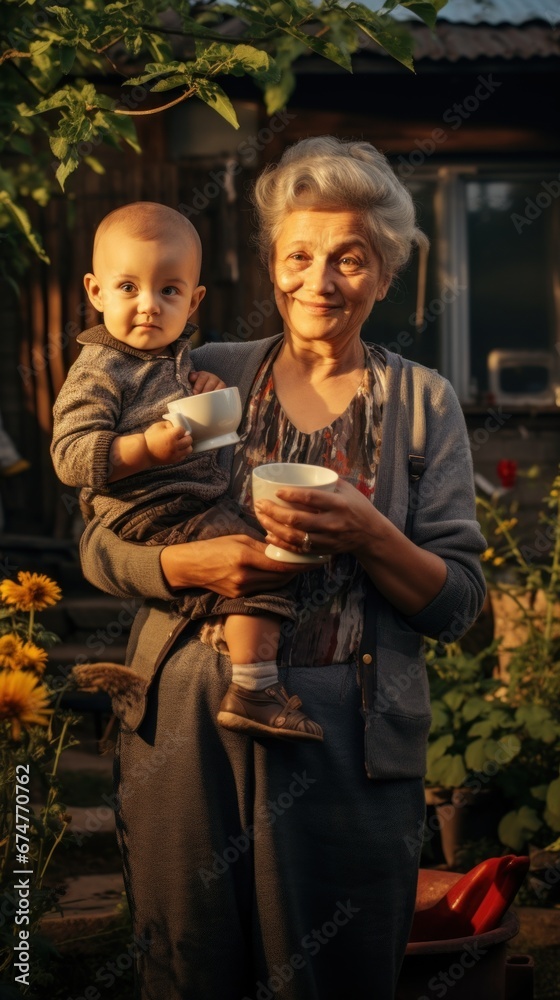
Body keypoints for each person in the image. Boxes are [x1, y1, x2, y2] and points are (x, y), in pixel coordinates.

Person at [78, 136, 486, 1000]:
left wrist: (373, 533)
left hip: (348, 736)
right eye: (298, 255)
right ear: (272, 264)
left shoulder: (421, 403)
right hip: (186, 722)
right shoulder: (208, 373)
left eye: (350, 259)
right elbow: (100, 542)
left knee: (331, 976)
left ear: (386, 274)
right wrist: (187, 562)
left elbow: (458, 608)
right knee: (187, 965)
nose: (320, 280)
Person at [51, 202, 322, 741]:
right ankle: (252, 689)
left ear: (194, 299)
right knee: (263, 571)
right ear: (95, 291)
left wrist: (202, 392)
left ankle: (223, 628)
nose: (148, 306)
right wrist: (145, 450)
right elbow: (70, 456)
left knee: (261, 560)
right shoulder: (100, 367)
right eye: (128, 287)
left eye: (169, 291)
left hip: (189, 501)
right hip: (149, 511)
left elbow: (199, 433)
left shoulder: (177, 357)